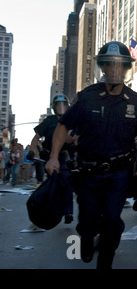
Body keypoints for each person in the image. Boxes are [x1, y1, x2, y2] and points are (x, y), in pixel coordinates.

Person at [45, 41, 137, 269]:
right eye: (110, 65)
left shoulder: (136, 102)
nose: (115, 70)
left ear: (126, 68)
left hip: (118, 175)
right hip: (88, 173)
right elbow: (62, 127)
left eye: (120, 65)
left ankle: (105, 262)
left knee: (111, 220)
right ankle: (87, 240)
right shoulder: (86, 97)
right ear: (104, 68)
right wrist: (53, 157)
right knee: (88, 220)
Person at [28, 94, 75, 223]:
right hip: (50, 157)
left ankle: (68, 212)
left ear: (67, 105)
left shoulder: (72, 120)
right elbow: (36, 137)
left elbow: (77, 137)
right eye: (58, 104)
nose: (61, 107)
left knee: (67, 182)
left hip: (66, 157)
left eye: (63, 104)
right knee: (54, 184)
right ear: (54, 107)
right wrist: (32, 150)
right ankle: (53, 210)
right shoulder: (49, 121)